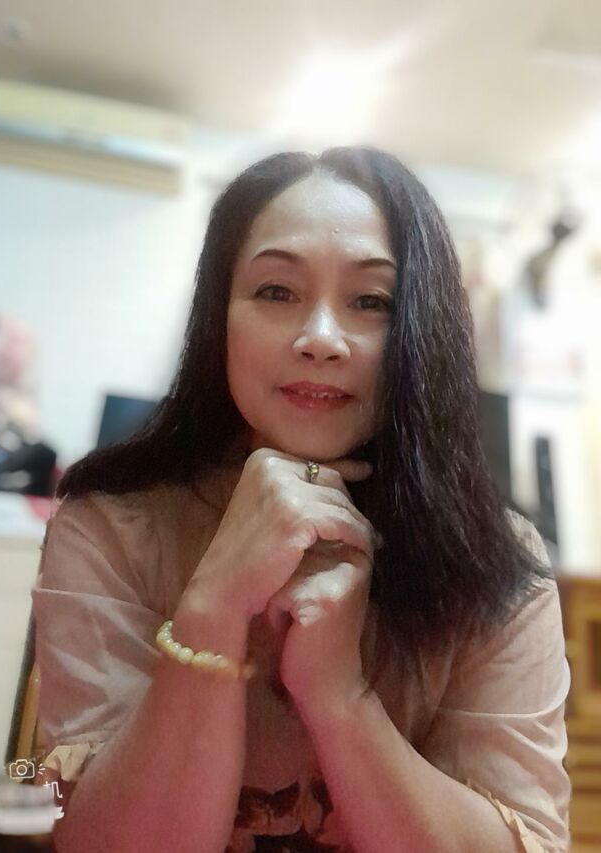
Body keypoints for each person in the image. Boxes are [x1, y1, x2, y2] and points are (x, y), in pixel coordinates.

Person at [30, 147, 571, 853]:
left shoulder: (497, 560)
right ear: (218, 316)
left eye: (371, 301)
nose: (320, 338)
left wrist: (340, 696)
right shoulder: (108, 525)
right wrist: (212, 609)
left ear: (421, 332)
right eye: (276, 291)